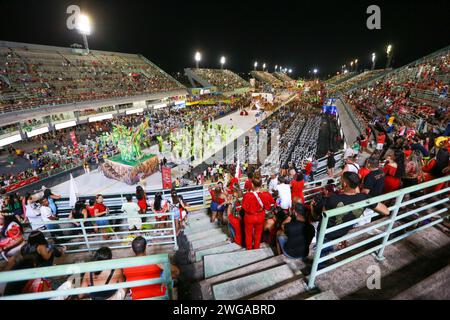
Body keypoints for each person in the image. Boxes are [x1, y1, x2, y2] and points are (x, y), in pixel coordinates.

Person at [321, 172, 389, 261]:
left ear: (345, 184)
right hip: (345, 231)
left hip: (329, 234)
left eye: (341, 180)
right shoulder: (364, 198)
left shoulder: (333, 198)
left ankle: (322, 261)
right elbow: (386, 211)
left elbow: (323, 215)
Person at [242, 172, 275, 250]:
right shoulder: (266, 194)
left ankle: (249, 249)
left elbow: (244, 207)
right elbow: (272, 203)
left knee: (248, 234)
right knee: (258, 234)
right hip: (260, 216)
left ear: (252, 185)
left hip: (249, 217)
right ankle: (256, 248)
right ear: (261, 184)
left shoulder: (247, 196)